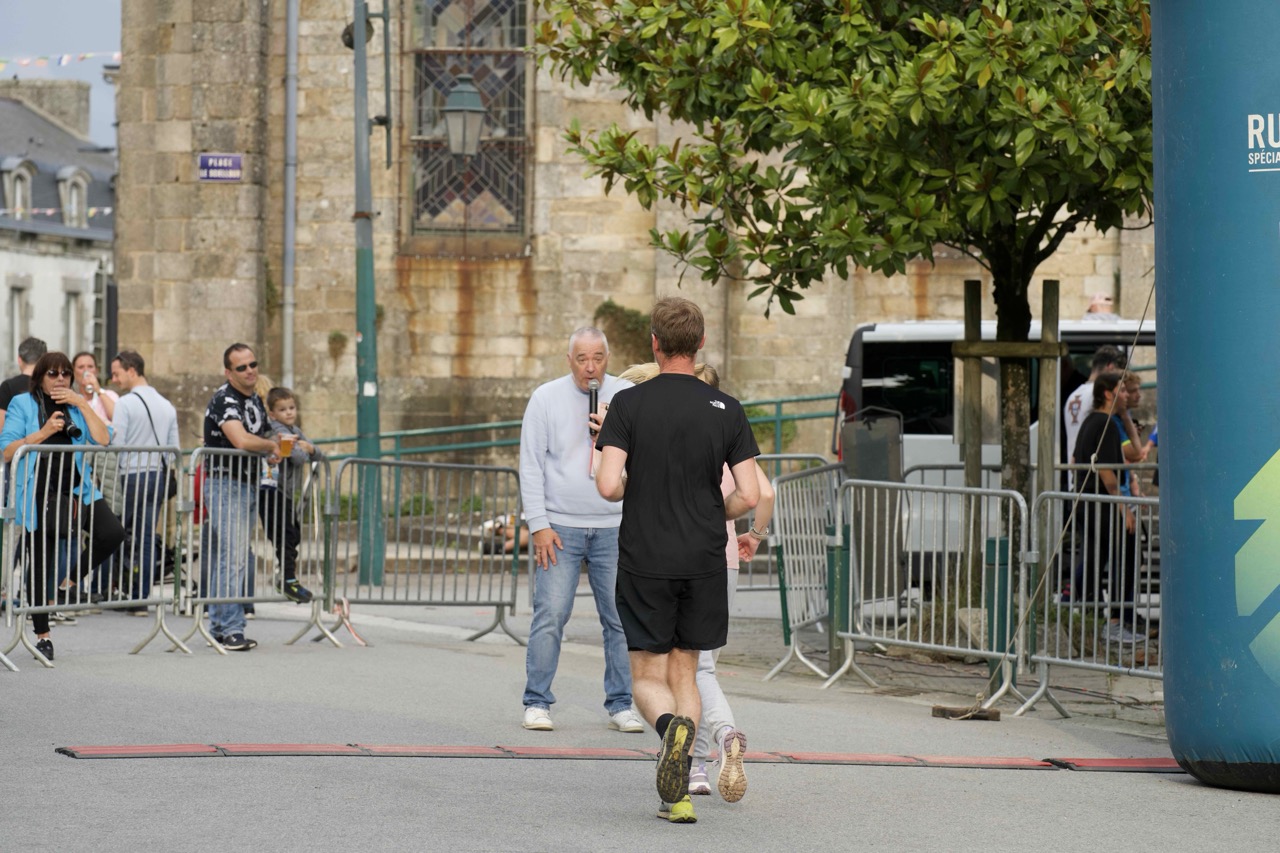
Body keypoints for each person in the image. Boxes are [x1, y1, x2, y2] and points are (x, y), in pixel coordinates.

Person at [595, 297, 760, 824]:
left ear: (655, 343)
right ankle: (679, 794)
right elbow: (750, 494)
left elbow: (608, 486)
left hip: (646, 555)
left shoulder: (628, 404)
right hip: (705, 557)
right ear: (701, 342)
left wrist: (631, 475)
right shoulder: (727, 408)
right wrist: (716, 511)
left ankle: (671, 733)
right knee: (687, 671)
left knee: (647, 674)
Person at [615, 361, 775, 805]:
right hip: (715, 560)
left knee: (663, 673)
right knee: (696, 669)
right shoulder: (724, 418)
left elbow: (610, 485)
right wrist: (753, 535)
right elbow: (759, 493)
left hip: (655, 557)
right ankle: (700, 760)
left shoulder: (646, 416)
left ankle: (699, 744)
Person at [519, 327, 643, 734]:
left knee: (620, 619)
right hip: (561, 526)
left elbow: (646, 457)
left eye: (598, 358)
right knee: (551, 614)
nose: (591, 367)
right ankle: (537, 702)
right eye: (582, 359)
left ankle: (621, 704)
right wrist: (538, 524)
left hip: (616, 526)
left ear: (609, 357)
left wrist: (612, 433)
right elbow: (531, 464)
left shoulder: (628, 395)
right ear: (569, 360)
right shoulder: (545, 398)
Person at [0, 351, 126, 661]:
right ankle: (42, 636)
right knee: (40, 561)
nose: (60, 379)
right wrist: (43, 433)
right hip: (37, 491)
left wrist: (82, 403)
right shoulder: (23, 403)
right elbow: (7, 450)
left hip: (78, 489)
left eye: (65, 373)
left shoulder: (75, 406)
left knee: (112, 533)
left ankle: (68, 582)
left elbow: (103, 439)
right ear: (40, 377)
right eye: (53, 374)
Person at [201, 344, 280, 651]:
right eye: (242, 367)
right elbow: (241, 439)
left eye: (253, 364)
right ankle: (232, 628)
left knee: (232, 557)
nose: (250, 371)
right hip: (225, 483)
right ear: (228, 372)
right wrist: (270, 447)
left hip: (247, 483)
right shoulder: (225, 399)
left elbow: (266, 435)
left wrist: (275, 446)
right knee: (232, 558)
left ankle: (220, 628)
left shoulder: (255, 399)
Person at [109, 350, 180, 615]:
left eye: (117, 373)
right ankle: (142, 595)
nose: (114, 379)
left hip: (132, 473)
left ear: (132, 370)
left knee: (122, 532)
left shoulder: (126, 403)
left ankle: (123, 590)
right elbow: (174, 448)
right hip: (157, 474)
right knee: (147, 534)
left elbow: (117, 443)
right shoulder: (166, 405)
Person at [1071, 371, 1139, 644]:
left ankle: (1092, 619)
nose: (1127, 395)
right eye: (1122, 390)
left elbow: (1076, 458)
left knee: (1095, 559)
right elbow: (1107, 472)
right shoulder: (1106, 424)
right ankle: (1115, 622)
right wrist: (1124, 509)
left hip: (1087, 503)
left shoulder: (1091, 421)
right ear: (1109, 394)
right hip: (1104, 505)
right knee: (1126, 556)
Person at [261, 386, 318, 604]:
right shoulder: (277, 430)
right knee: (285, 536)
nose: (289, 413)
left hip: (286, 492)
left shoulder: (294, 429)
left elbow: (315, 452)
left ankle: (286, 577)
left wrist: (309, 448)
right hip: (273, 489)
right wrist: (306, 449)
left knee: (292, 535)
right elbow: (298, 457)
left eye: (292, 408)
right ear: (273, 413)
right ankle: (287, 579)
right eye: (283, 409)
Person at [1063, 345, 1126, 487]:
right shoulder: (1101, 397)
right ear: (1110, 367)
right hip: (1095, 483)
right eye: (1120, 375)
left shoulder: (1073, 396)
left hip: (1076, 477)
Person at [0, 336, 47, 432]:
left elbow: (2, 426)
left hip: (17, 440)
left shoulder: (8, 386)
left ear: (19, 359)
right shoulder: (49, 386)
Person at [73, 351, 119, 425]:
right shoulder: (72, 399)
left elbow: (118, 417)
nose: (86, 370)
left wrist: (98, 390)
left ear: (96, 371)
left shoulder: (109, 395)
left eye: (90, 367)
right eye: (81, 367)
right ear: (74, 372)